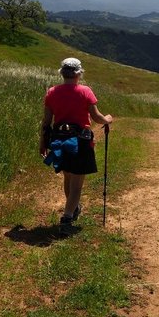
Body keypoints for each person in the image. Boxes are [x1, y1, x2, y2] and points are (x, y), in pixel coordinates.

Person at [39, 57, 113, 229]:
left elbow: (46, 122)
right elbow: (96, 117)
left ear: (62, 73)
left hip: (59, 140)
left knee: (68, 176)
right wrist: (108, 119)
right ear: (79, 73)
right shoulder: (85, 91)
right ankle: (67, 217)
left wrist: (42, 143)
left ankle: (73, 209)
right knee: (77, 183)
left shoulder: (52, 92)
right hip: (80, 141)